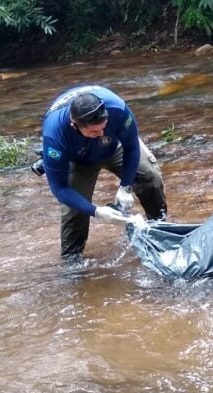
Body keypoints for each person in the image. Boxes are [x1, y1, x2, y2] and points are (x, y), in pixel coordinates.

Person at [41, 85, 168, 261]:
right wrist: (97, 211)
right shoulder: (54, 135)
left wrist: (126, 186)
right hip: (78, 160)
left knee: (151, 177)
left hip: (116, 147)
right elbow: (59, 188)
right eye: (94, 131)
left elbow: (131, 147)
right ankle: (72, 263)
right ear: (74, 125)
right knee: (75, 211)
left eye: (103, 127)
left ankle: (160, 229)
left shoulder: (117, 109)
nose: (101, 133)